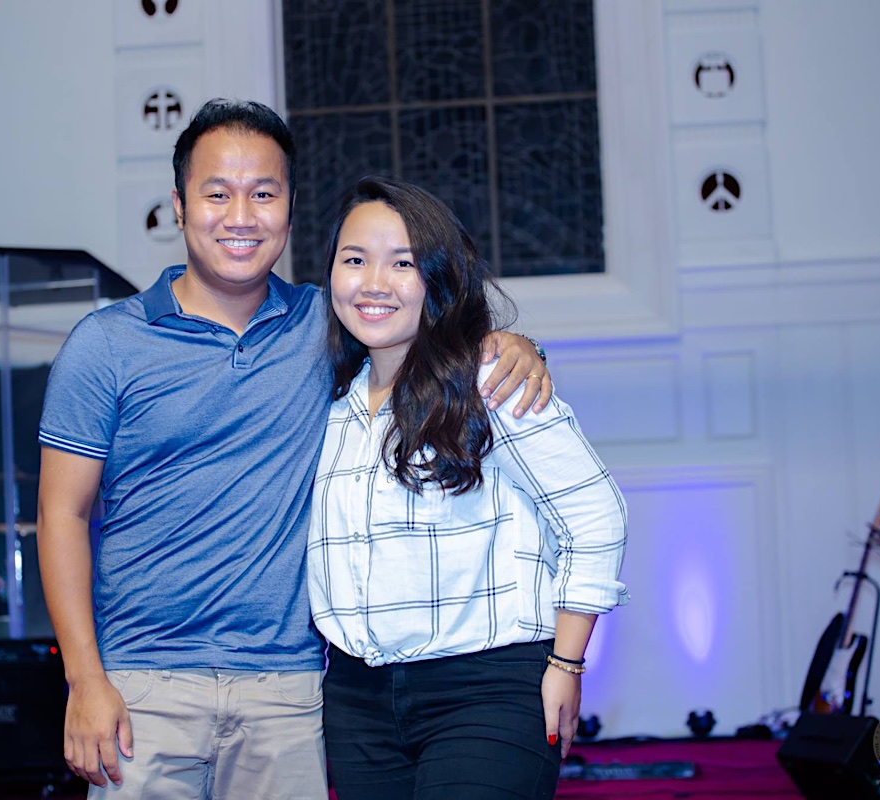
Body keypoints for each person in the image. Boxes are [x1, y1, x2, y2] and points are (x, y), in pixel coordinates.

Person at [35, 99, 552, 800]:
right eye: (217, 194)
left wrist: (515, 345)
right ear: (180, 208)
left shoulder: (327, 326)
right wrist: (84, 679)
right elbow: (62, 515)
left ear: (290, 209)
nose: (240, 216)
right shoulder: (106, 344)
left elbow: (428, 333)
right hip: (143, 687)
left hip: (288, 692)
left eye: (263, 194)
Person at [307, 176, 629, 800]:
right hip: (357, 700)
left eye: (403, 263)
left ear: (438, 277)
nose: (374, 283)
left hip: (487, 689)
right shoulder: (328, 403)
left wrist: (567, 662)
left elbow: (596, 514)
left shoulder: (488, 379)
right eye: (355, 260)